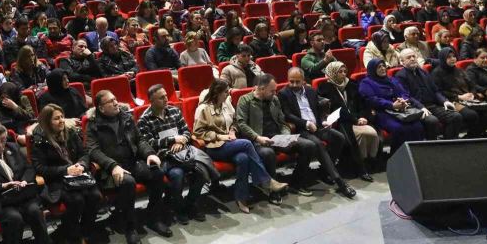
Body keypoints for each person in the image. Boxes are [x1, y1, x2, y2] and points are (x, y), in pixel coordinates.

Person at [86, 90, 171, 244]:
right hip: (110, 170)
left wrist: (150, 154)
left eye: (116, 99)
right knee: (128, 182)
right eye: (111, 101)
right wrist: (112, 165)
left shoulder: (126, 117)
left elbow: (139, 140)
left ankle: (154, 218)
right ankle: (130, 227)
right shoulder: (93, 125)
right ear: (101, 108)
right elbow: (93, 151)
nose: (116, 102)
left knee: (157, 172)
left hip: (132, 162)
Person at [192, 79, 285, 213]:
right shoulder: (203, 108)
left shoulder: (227, 104)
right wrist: (220, 136)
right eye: (225, 92)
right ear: (217, 92)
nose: (228, 94)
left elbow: (235, 122)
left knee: (243, 159)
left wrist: (232, 130)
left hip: (230, 143)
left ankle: (241, 198)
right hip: (214, 147)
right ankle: (265, 180)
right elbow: (198, 132)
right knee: (247, 143)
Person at [32, 104, 100, 244]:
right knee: (76, 200)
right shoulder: (40, 140)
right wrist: (65, 170)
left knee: (94, 196)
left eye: (62, 117)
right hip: (57, 180)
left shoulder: (70, 132)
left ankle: (83, 234)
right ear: (47, 121)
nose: (62, 121)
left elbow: (85, 153)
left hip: (79, 175)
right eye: (57, 118)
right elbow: (39, 168)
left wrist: (81, 165)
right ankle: (71, 238)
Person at [278, 69, 357, 197]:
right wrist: (305, 123)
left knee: (339, 137)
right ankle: (340, 182)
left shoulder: (311, 91)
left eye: (297, 82)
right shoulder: (283, 94)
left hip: (317, 127)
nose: (293, 85)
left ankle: (325, 171)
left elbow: (317, 110)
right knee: (318, 144)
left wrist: (324, 121)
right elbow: (287, 115)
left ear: (303, 81)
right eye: (291, 81)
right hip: (301, 129)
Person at [138, 84, 211, 224]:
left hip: (184, 154)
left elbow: (186, 132)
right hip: (165, 158)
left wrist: (181, 141)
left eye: (166, 96)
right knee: (177, 175)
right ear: (151, 101)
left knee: (201, 172)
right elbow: (148, 143)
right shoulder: (144, 120)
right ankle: (179, 209)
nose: (166, 99)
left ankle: (190, 204)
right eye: (161, 98)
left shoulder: (174, 111)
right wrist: (172, 139)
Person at [395, 48, 477, 141]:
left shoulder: (423, 72)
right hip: (417, 108)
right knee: (432, 121)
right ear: (402, 61)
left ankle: (450, 143)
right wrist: (421, 107)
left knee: (455, 116)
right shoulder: (400, 76)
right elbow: (406, 96)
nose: (413, 59)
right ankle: (432, 147)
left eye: (414, 56)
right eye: (408, 57)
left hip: (432, 105)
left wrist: (444, 101)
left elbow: (435, 90)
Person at [317, 62, 378, 179]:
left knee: (372, 133)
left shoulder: (351, 85)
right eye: (340, 72)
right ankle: (359, 168)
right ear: (332, 73)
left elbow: (362, 104)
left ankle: (369, 162)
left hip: (357, 119)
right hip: (338, 121)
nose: (343, 74)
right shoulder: (325, 88)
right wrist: (355, 120)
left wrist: (363, 117)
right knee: (352, 133)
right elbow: (336, 110)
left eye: (345, 71)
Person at [358, 59, 425, 152]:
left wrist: (403, 100)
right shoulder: (366, 82)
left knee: (417, 126)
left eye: (383, 66)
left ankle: (416, 152)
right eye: (379, 67)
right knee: (399, 128)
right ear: (372, 69)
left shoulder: (391, 79)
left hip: (400, 110)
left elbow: (404, 92)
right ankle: (397, 155)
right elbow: (371, 99)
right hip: (381, 112)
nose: (382, 69)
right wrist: (392, 105)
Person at [431, 48, 487, 139]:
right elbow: (439, 92)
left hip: (468, 99)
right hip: (452, 100)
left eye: (454, 56)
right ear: (443, 58)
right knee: (471, 115)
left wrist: (472, 94)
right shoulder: (436, 73)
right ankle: (472, 137)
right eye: (449, 57)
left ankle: (473, 135)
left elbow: (472, 84)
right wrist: (459, 96)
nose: (452, 59)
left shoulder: (459, 70)